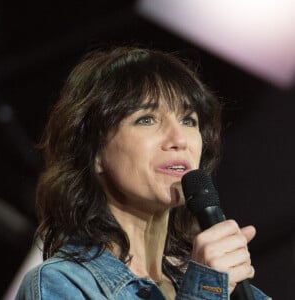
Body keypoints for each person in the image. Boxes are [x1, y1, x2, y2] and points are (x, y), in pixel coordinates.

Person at [16, 46, 270, 299]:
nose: (179, 138)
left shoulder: (231, 288)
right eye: (147, 119)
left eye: (188, 120)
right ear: (94, 153)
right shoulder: (62, 283)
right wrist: (205, 289)